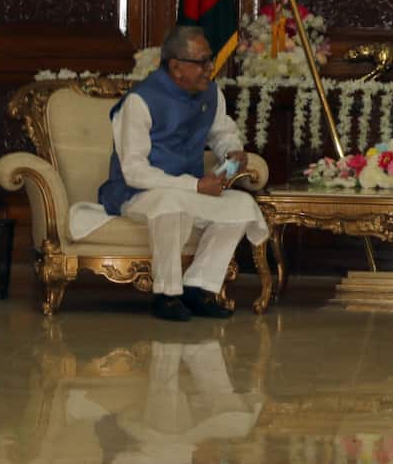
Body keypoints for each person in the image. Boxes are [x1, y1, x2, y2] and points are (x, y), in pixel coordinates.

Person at [97, 26, 270, 322]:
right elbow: (134, 171)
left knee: (241, 207)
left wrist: (232, 151)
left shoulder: (211, 93)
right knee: (168, 204)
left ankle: (197, 286)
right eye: (202, 62)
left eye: (210, 60)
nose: (209, 68)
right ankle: (166, 295)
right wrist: (196, 186)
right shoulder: (140, 101)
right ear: (176, 66)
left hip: (191, 190)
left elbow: (222, 132)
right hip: (137, 194)